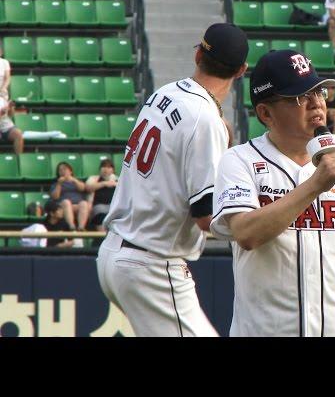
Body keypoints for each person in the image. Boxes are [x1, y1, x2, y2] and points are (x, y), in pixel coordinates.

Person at [210, 49, 335, 337]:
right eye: (300, 97)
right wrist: (315, 185)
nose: (316, 105)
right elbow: (246, 233)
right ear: (266, 113)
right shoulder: (239, 161)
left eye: (320, 93)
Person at [96, 23, 249, 337]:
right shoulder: (205, 119)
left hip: (116, 251)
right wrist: (256, 225)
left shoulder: (164, 93)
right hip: (151, 263)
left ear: (197, 55)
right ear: (241, 71)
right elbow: (207, 217)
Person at [50, 162, 90, 231]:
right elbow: (55, 197)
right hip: (63, 206)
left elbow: (83, 188)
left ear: (70, 171)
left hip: (77, 205)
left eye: (65, 169)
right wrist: (59, 184)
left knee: (84, 203)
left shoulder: (76, 181)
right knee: (66, 202)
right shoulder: (56, 184)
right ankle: (72, 226)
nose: (63, 172)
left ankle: (81, 227)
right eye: (60, 170)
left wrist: (74, 180)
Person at [85, 159, 118, 244]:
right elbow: (88, 188)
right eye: (103, 167)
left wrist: (115, 184)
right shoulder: (94, 179)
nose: (106, 169)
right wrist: (104, 183)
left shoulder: (118, 180)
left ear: (113, 170)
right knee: (100, 212)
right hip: (98, 207)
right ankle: (105, 240)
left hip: (113, 207)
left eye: (108, 167)